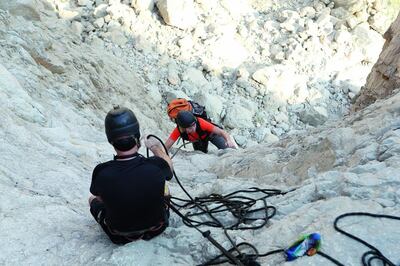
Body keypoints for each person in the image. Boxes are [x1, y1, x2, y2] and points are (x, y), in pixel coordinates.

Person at [89, 106, 173, 245]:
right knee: (165, 188)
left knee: (92, 199)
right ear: (137, 137)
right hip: (157, 228)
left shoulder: (102, 171)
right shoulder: (156, 165)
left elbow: (100, 198)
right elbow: (169, 169)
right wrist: (155, 147)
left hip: (119, 235)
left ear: (111, 140)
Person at [165, 110, 237, 153]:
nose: (194, 128)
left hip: (212, 135)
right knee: (201, 154)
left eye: (194, 125)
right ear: (183, 128)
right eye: (190, 127)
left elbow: (221, 132)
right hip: (198, 140)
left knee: (228, 150)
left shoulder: (201, 123)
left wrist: (228, 140)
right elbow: (167, 145)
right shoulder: (179, 130)